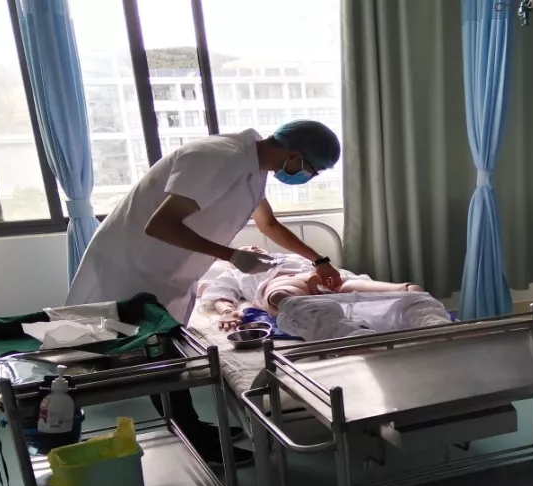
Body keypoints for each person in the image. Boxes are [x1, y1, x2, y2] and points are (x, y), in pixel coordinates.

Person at [65, 120, 342, 466]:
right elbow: (160, 224)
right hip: (132, 268)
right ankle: (196, 439)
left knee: (165, 353)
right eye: (312, 170)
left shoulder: (254, 168)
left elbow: (268, 225)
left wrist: (319, 260)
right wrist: (232, 256)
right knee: (158, 356)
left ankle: (192, 427)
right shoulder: (217, 157)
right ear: (295, 155)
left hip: (167, 270)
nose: (309, 177)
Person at [197, 246, 426, 328]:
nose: (253, 249)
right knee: (280, 296)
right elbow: (220, 293)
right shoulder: (235, 273)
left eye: (256, 247)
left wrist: (335, 277)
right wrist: (227, 312)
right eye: (246, 250)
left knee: (403, 289)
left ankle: (411, 296)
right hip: (283, 284)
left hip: (324, 281)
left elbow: (330, 271)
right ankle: (330, 315)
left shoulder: (289, 257)